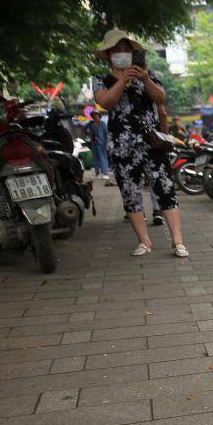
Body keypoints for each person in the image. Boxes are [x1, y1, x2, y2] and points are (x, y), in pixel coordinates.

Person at [92, 28, 187, 257]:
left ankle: (177, 241)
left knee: (165, 188)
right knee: (130, 192)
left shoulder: (148, 74)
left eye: (127, 49)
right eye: (118, 49)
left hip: (151, 142)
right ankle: (144, 241)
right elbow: (105, 103)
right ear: (109, 54)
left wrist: (144, 79)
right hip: (122, 146)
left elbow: (161, 98)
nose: (123, 53)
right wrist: (122, 80)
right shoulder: (100, 79)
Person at [87, 111, 110, 180]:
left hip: (101, 143)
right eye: (93, 116)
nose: (94, 117)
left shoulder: (103, 124)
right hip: (94, 143)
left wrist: (106, 143)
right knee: (95, 158)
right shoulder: (92, 125)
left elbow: (106, 134)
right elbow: (91, 134)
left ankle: (105, 172)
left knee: (103, 157)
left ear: (98, 116)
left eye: (95, 115)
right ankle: (97, 172)